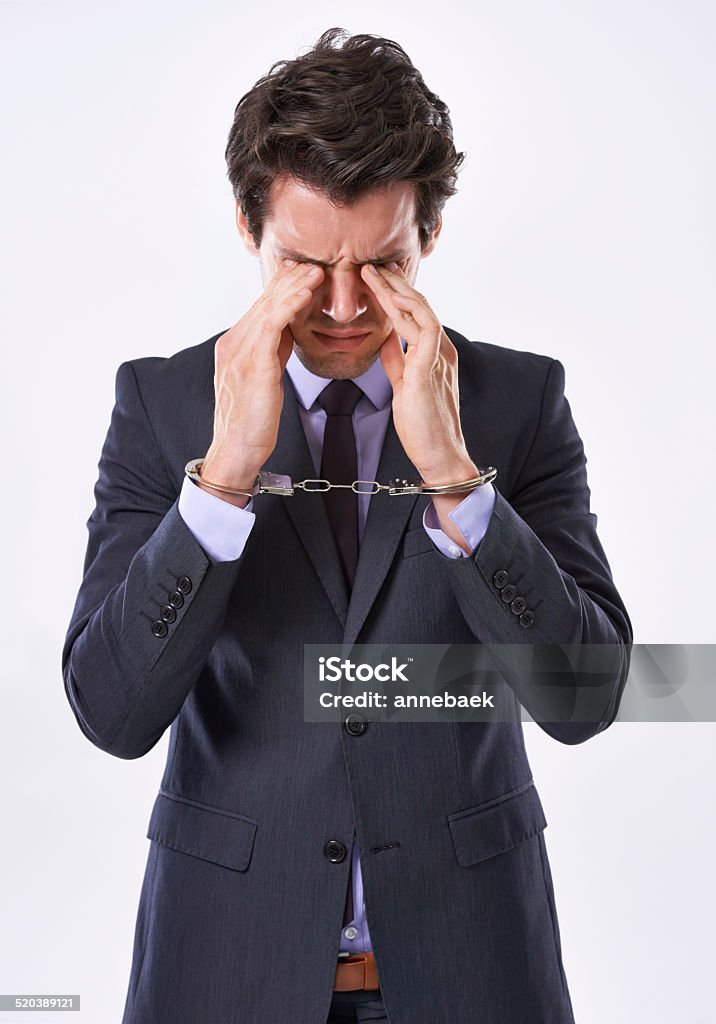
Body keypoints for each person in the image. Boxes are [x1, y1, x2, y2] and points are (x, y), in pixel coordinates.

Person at [62, 27, 632, 1024]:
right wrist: (222, 479)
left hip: (470, 967)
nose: (337, 305)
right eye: (301, 262)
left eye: (379, 265)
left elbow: (582, 697)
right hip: (224, 969)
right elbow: (111, 712)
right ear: (248, 230)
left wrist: (456, 478)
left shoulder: (517, 401)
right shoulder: (158, 406)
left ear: (428, 238)